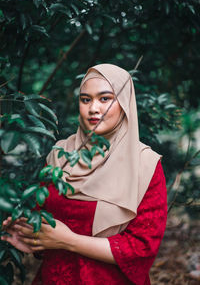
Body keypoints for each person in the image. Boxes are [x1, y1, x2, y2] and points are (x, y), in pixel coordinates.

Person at [1, 64, 167, 285]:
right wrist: (29, 237)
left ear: (125, 103)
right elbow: (46, 222)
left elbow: (141, 248)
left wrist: (69, 241)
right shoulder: (60, 154)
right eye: (86, 99)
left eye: (105, 98)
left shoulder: (145, 165)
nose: (93, 108)